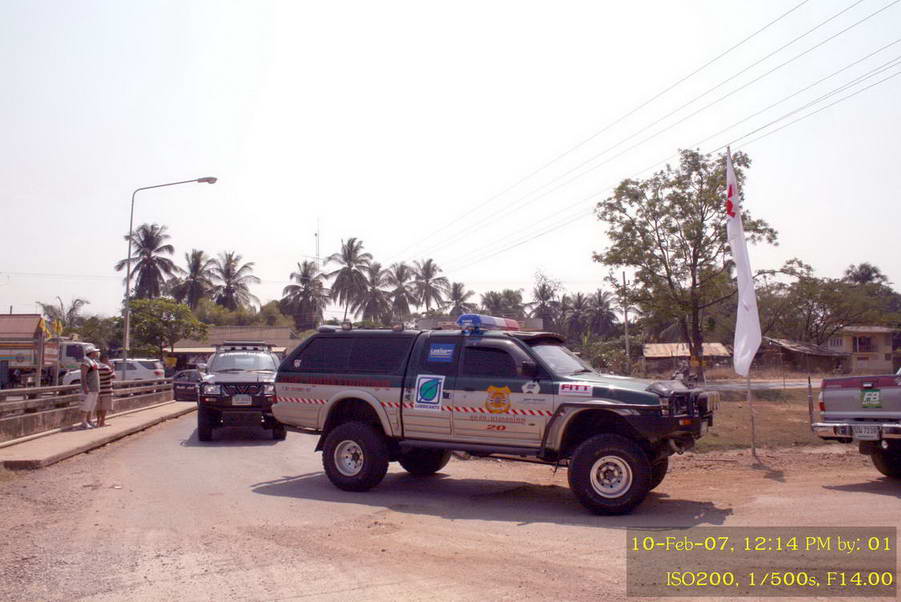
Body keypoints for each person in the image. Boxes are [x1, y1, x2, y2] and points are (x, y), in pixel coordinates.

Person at [79, 345, 101, 429]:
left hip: (95, 388)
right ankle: (83, 422)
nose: (97, 353)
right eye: (95, 352)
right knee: (86, 405)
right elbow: (83, 376)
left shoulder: (93, 361)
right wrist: (85, 387)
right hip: (89, 388)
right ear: (91, 353)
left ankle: (89, 420)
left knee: (91, 406)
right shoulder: (86, 362)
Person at [96, 352, 116, 427]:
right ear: (105, 359)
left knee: (98, 407)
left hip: (97, 389)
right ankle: (102, 422)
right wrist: (112, 368)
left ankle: (98, 421)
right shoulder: (107, 368)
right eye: (107, 359)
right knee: (104, 407)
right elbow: (113, 376)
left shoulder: (96, 367)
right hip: (106, 389)